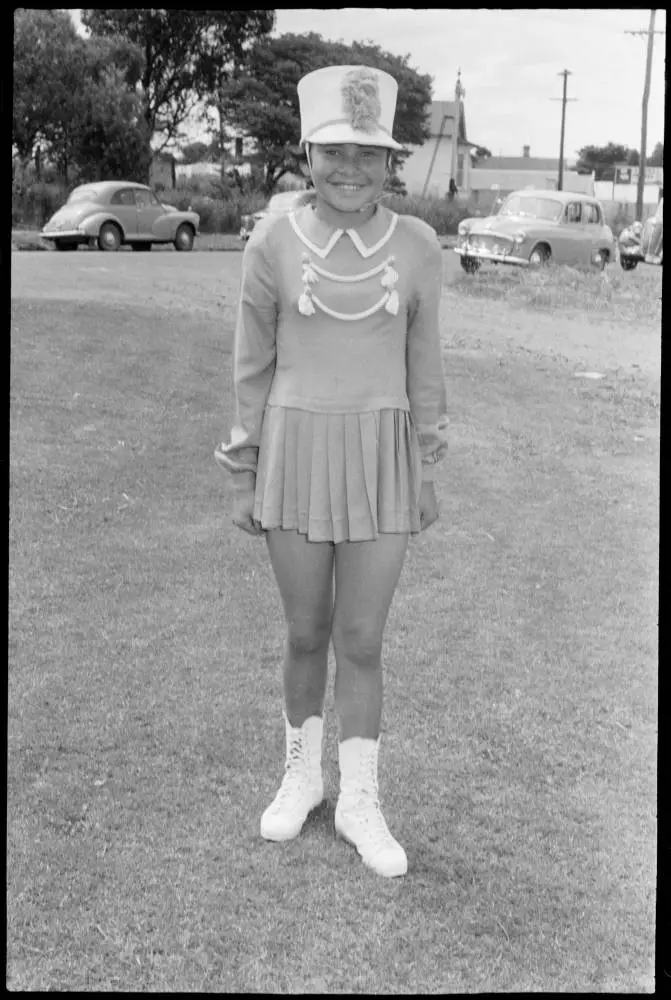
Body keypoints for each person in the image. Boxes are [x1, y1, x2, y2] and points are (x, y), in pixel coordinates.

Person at [215, 64, 448, 878]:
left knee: (362, 638)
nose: (351, 170)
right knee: (306, 631)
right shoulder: (270, 242)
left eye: (370, 155)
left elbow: (425, 368)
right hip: (294, 452)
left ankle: (360, 799)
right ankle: (302, 778)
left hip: (382, 456)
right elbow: (252, 365)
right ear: (307, 153)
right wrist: (242, 470)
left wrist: (424, 467)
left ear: (391, 163)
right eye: (334, 152)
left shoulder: (418, 249)